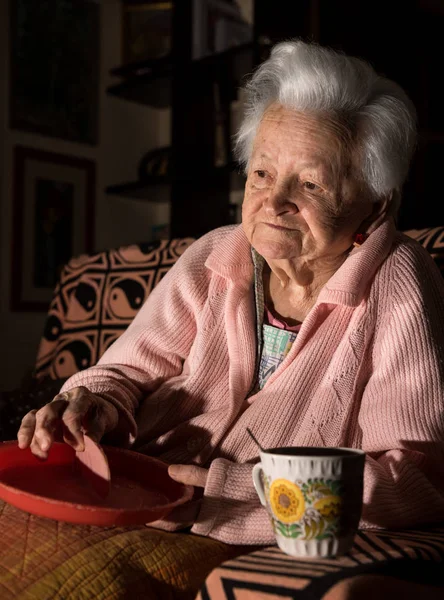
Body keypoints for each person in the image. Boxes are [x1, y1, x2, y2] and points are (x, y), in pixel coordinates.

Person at [18, 40, 444, 547]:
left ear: (375, 205)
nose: (274, 202)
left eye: (310, 185)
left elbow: (418, 480)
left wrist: (246, 491)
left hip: (236, 538)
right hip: (121, 496)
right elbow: (125, 372)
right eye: (262, 173)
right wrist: (92, 404)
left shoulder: (397, 280)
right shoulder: (215, 254)